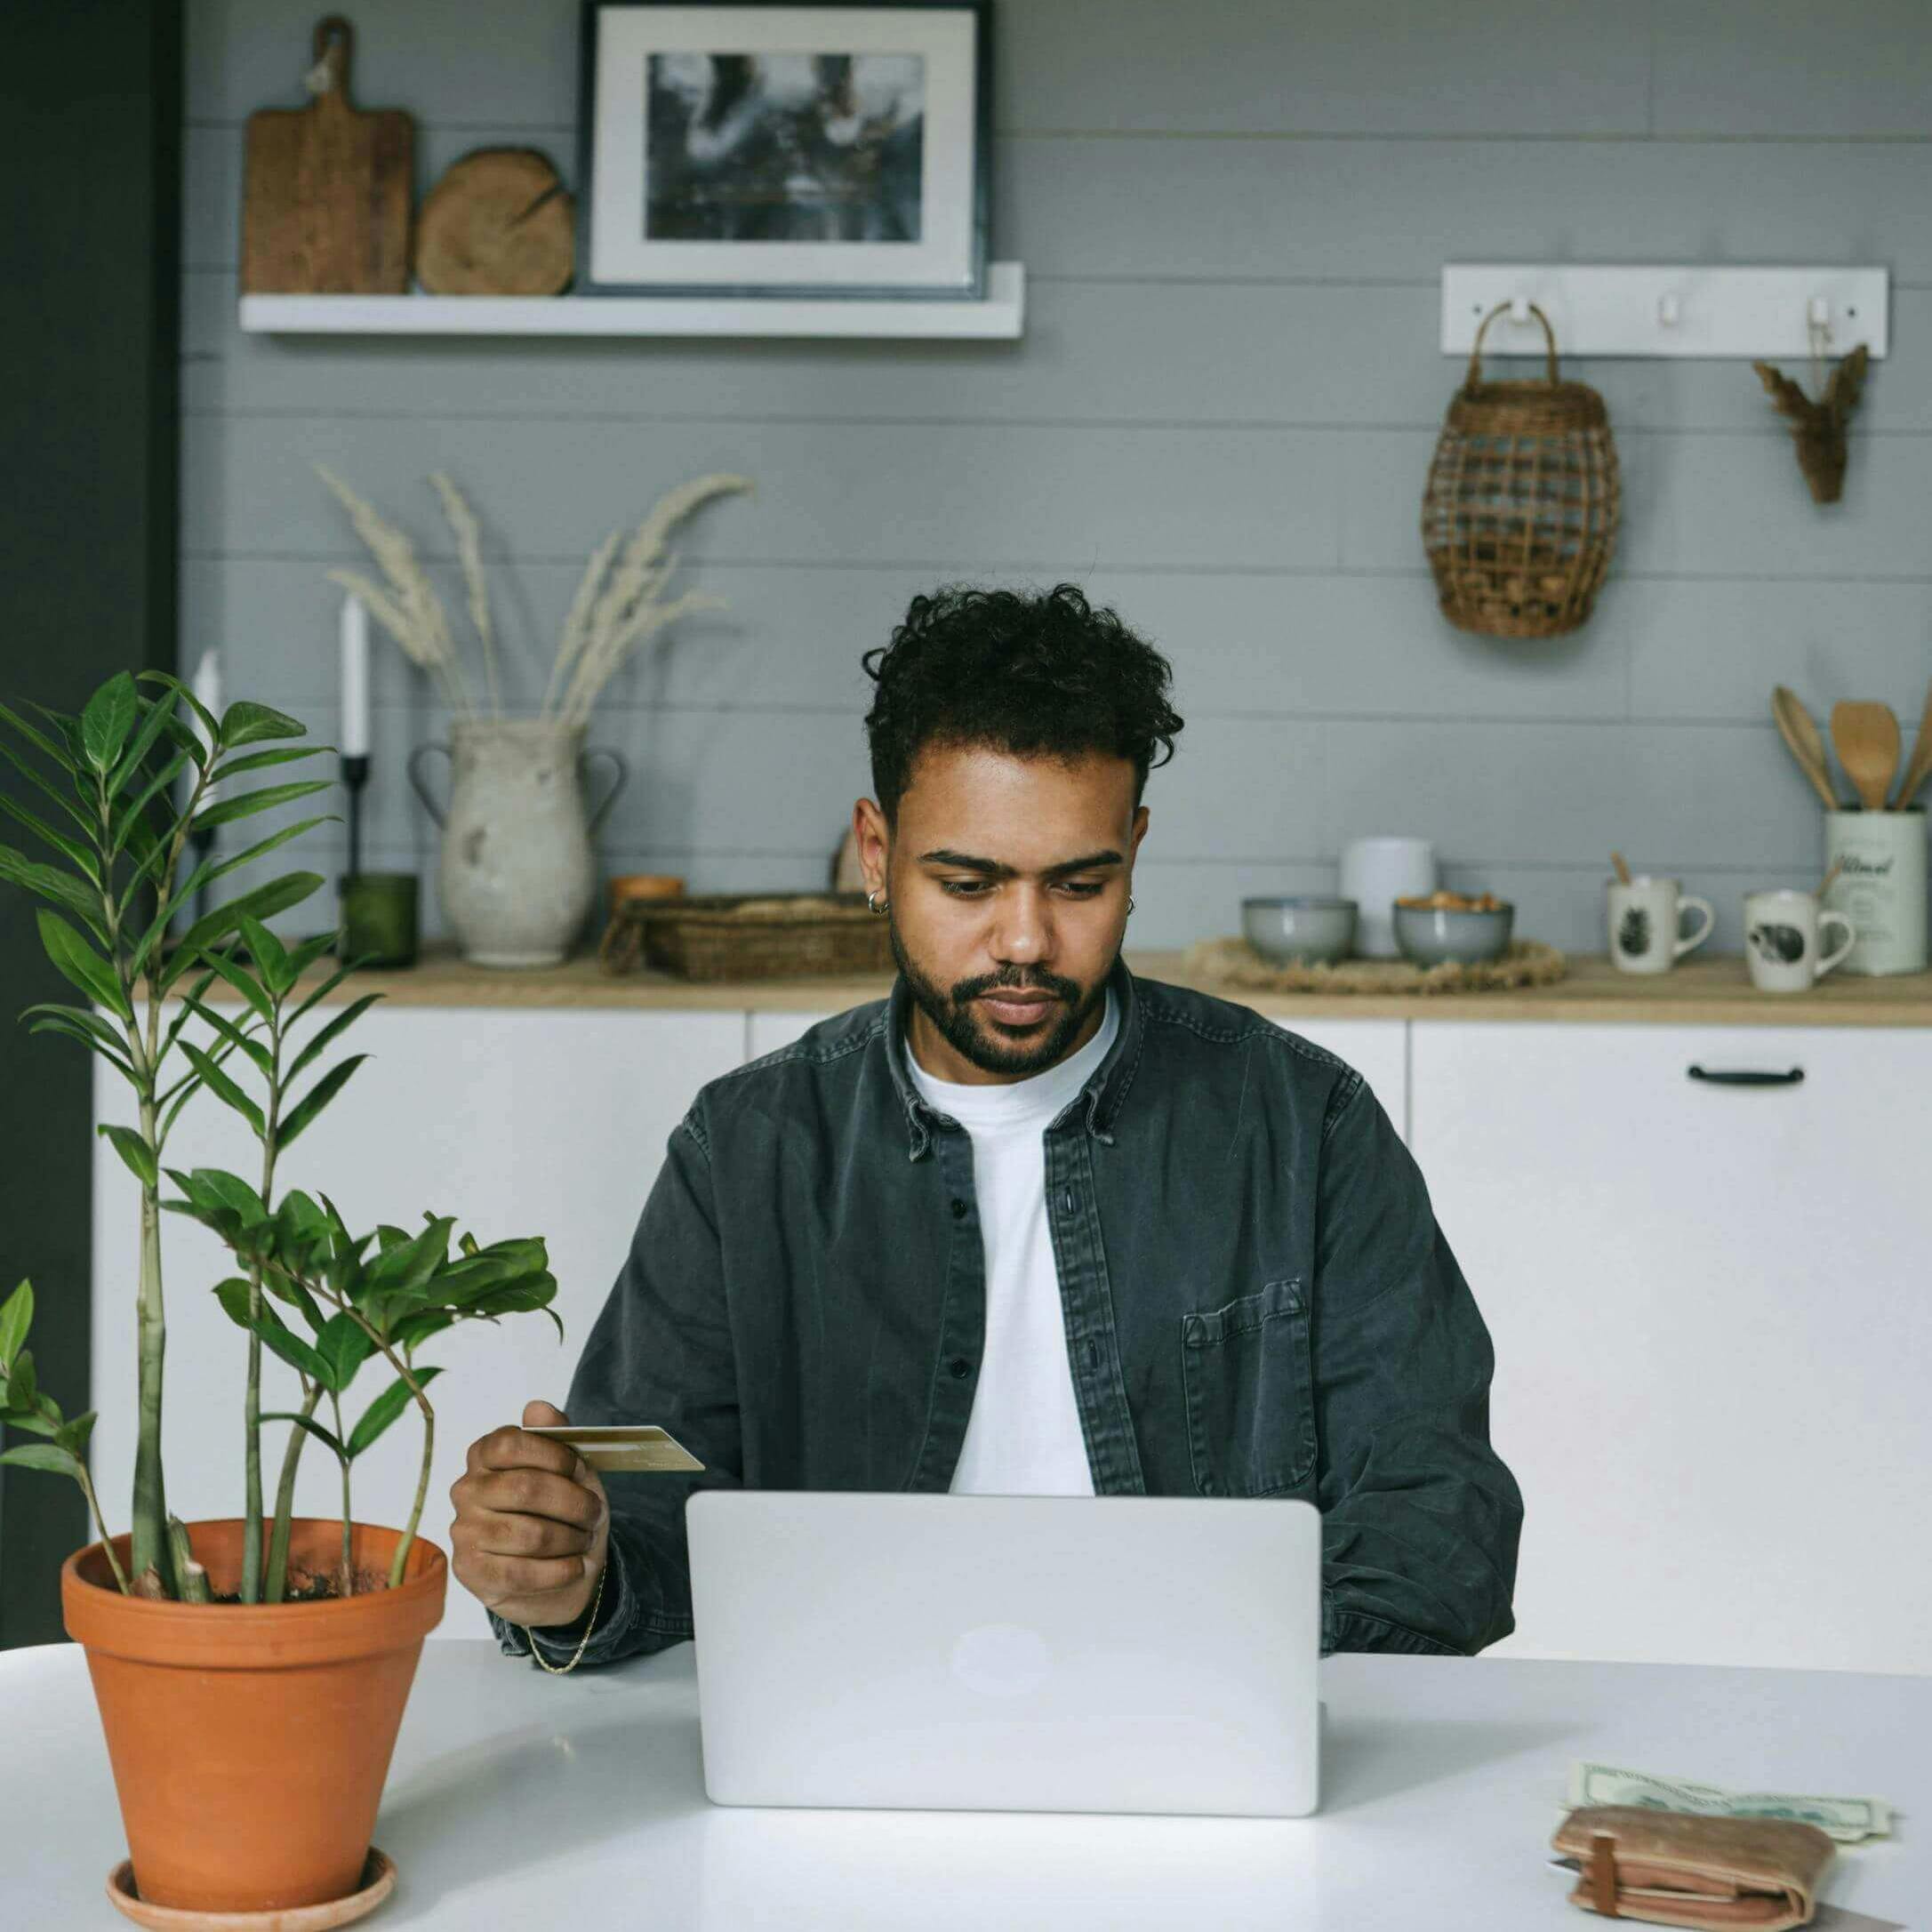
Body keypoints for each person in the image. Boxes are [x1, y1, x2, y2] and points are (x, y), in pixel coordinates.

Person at [449, 583, 1523, 1671]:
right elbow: (641, 1475)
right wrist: (569, 1567)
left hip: (1201, 1726)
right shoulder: (746, 1146)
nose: (1024, 940)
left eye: (1080, 884)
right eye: (968, 883)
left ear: (1135, 848)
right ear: (876, 853)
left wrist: (1218, 1661)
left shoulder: (1303, 1125)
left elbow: (1443, 1511)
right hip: (847, 1724)